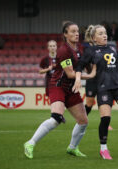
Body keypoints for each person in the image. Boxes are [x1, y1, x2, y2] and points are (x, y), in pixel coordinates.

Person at [24, 21, 95, 159]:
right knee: (56, 118)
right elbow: (70, 74)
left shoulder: (78, 50)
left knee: (83, 121)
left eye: (77, 31)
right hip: (58, 86)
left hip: (70, 88)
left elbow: (86, 67)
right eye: (72, 31)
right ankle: (30, 143)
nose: (76, 34)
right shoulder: (64, 50)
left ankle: (72, 148)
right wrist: (91, 76)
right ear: (65, 34)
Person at [73, 24, 118, 160]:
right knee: (105, 119)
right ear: (94, 38)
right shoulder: (91, 51)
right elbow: (79, 65)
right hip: (103, 88)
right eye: (101, 33)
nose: (105, 35)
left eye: (105, 33)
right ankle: (103, 149)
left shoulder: (112, 48)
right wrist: (78, 78)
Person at [82, 28, 113, 130]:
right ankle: (82, 120)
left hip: (102, 79)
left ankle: (106, 124)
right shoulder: (88, 50)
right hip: (91, 80)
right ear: (93, 37)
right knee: (89, 103)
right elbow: (83, 63)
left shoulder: (103, 49)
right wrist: (88, 70)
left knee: (103, 102)